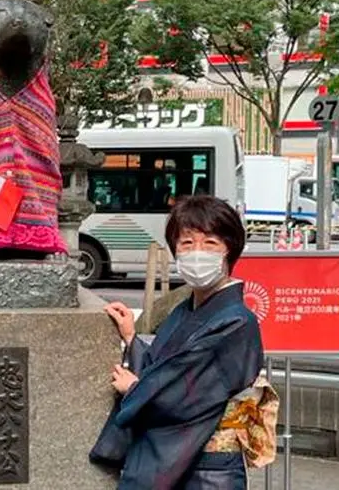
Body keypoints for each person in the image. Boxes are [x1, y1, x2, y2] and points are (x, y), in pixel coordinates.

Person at [94, 194, 278, 490]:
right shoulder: (185, 311)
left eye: (210, 243)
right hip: (185, 459)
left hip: (210, 468)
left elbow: (185, 396)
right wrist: (132, 338)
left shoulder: (236, 321)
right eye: (187, 243)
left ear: (228, 250)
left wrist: (135, 389)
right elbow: (166, 365)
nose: (197, 252)